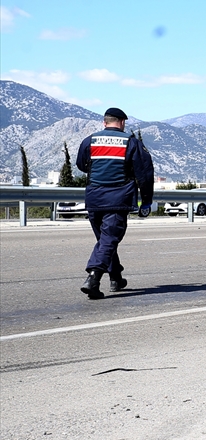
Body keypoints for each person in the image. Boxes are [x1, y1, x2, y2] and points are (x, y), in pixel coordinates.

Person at [75, 107, 154, 299]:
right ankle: (93, 277)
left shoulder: (90, 141)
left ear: (105, 122)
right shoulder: (130, 142)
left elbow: (80, 164)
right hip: (118, 199)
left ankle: (116, 277)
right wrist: (146, 201)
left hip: (94, 198)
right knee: (108, 240)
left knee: (105, 241)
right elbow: (144, 175)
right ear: (122, 122)